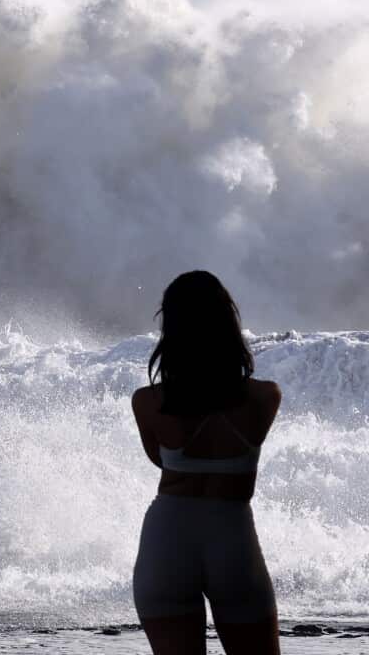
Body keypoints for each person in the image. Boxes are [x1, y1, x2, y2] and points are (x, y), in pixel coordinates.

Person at [131, 271, 282, 654]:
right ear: (228, 323)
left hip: (166, 541)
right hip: (233, 540)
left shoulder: (149, 403)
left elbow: (161, 462)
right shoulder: (265, 397)